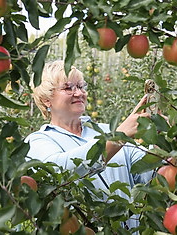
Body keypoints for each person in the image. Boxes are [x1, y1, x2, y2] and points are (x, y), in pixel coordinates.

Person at [25, 60, 155, 231]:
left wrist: (165, 146)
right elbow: (60, 170)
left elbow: (146, 172)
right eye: (68, 88)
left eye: (81, 86)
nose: (78, 93)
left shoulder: (105, 130)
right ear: (46, 100)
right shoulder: (38, 141)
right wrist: (117, 138)